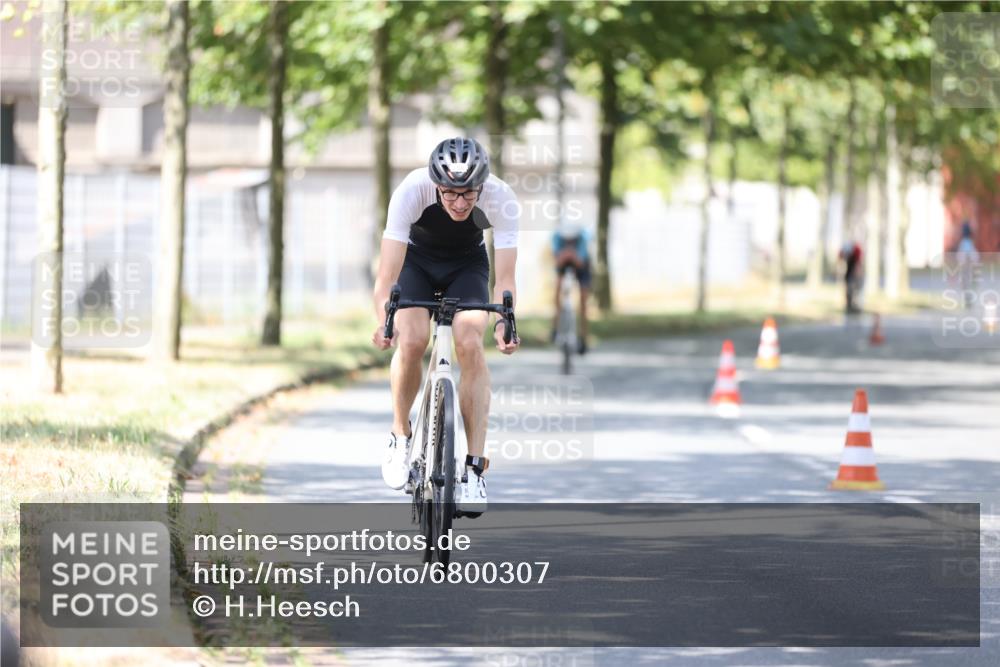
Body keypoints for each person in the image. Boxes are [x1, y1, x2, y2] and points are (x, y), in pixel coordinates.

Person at [372, 137, 520, 515]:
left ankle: (473, 469)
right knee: (413, 340)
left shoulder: (500, 198)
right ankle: (400, 437)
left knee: (470, 342)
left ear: (481, 186)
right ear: (436, 185)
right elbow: (387, 273)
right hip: (415, 264)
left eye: (468, 194)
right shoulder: (412, 190)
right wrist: (383, 321)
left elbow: (504, 278)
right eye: (450, 194)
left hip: (467, 265)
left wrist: (505, 322)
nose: (458, 203)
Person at [550, 223, 591, 353]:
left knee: (584, 299)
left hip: (581, 266)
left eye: (572, 239)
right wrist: (566, 256)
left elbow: (581, 262)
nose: (569, 241)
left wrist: (570, 255)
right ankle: (555, 327)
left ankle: (583, 336)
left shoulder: (583, 238)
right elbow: (557, 261)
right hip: (564, 264)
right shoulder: (556, 237)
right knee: (557, 290)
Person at [839, 240, 863, 314]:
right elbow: (840, 262)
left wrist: (857, 275)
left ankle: (856, 306)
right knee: (848, 289)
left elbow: (858, 265)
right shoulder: (842, 252)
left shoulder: (857, 251)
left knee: (855, 289)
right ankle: (848, 305)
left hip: (855, 271)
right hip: (849, 271)